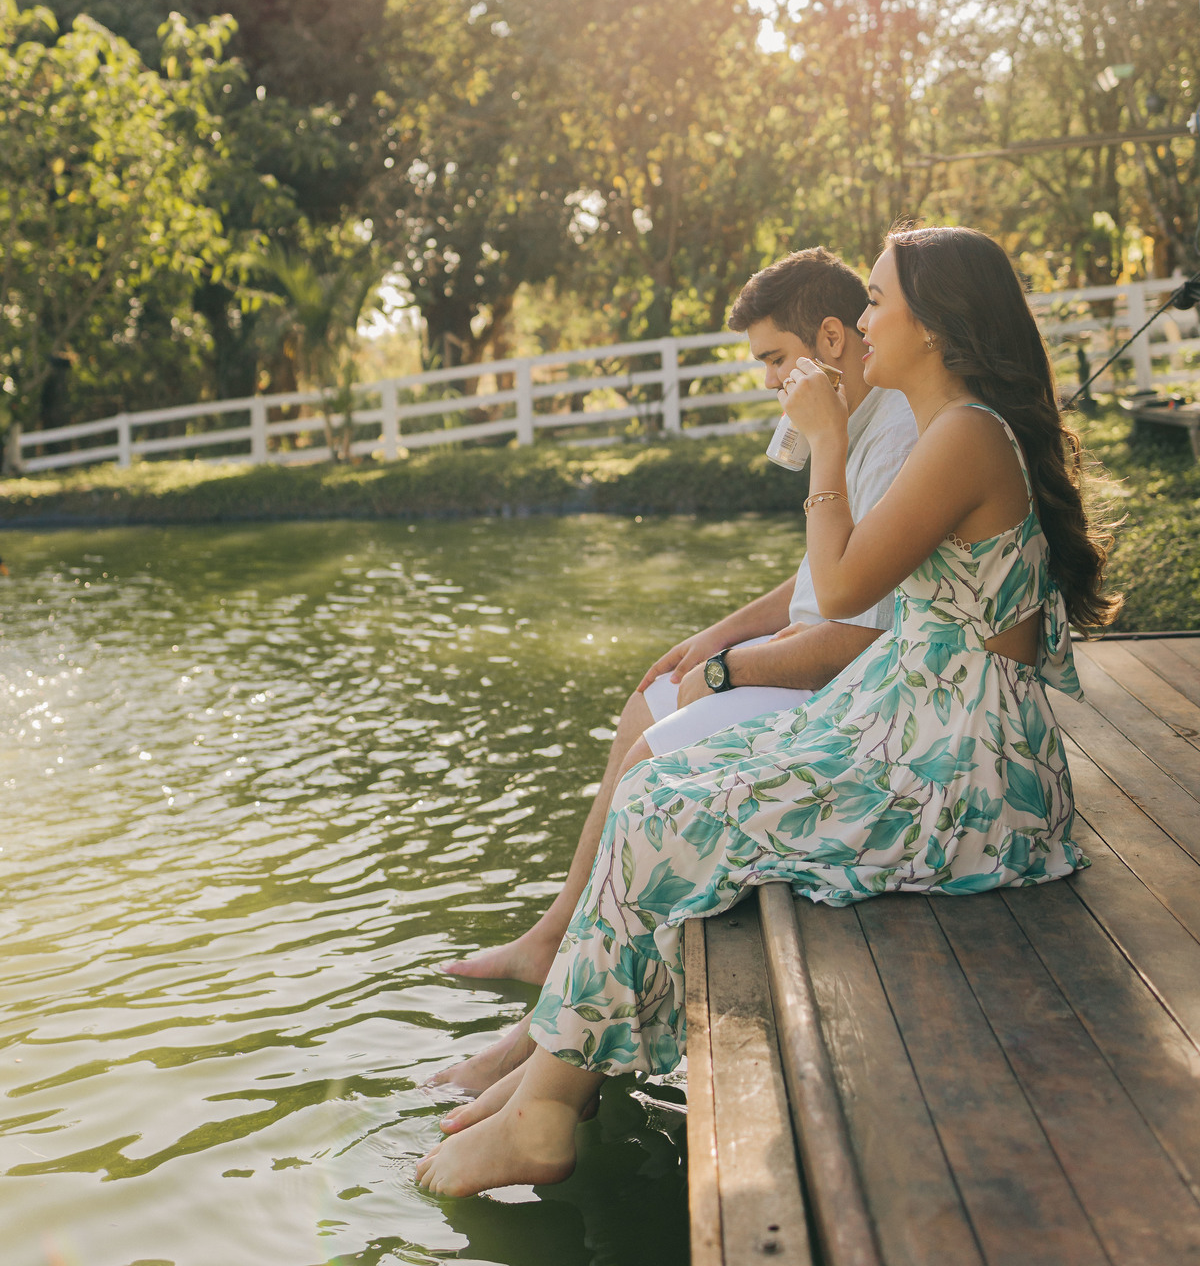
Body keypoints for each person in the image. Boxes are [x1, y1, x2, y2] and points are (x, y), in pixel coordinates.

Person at [415, 223, 1117, 1198]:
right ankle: (549, 1085)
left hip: (966, 772)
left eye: (878, 302)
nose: (861, 323)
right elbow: (834, 587)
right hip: (919, 722)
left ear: (934, 324)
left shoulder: (964, 435)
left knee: (665, 808)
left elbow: (842, 586)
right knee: (656, 787)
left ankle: (544, 1105)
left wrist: (827, 443)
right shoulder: (957, 430)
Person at [433, 248, 917, 1093]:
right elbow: (815, 577)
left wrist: (730, 671)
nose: (768, 379)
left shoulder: (890, 439)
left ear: (830, 339)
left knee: (652, 760)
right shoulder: (839, 417)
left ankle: (554, 1046)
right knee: (650, 697)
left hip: (838, 689)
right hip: (799, 655)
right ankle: (555, 939)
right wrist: (712, 640)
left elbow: (855, 634)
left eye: (775, 357)